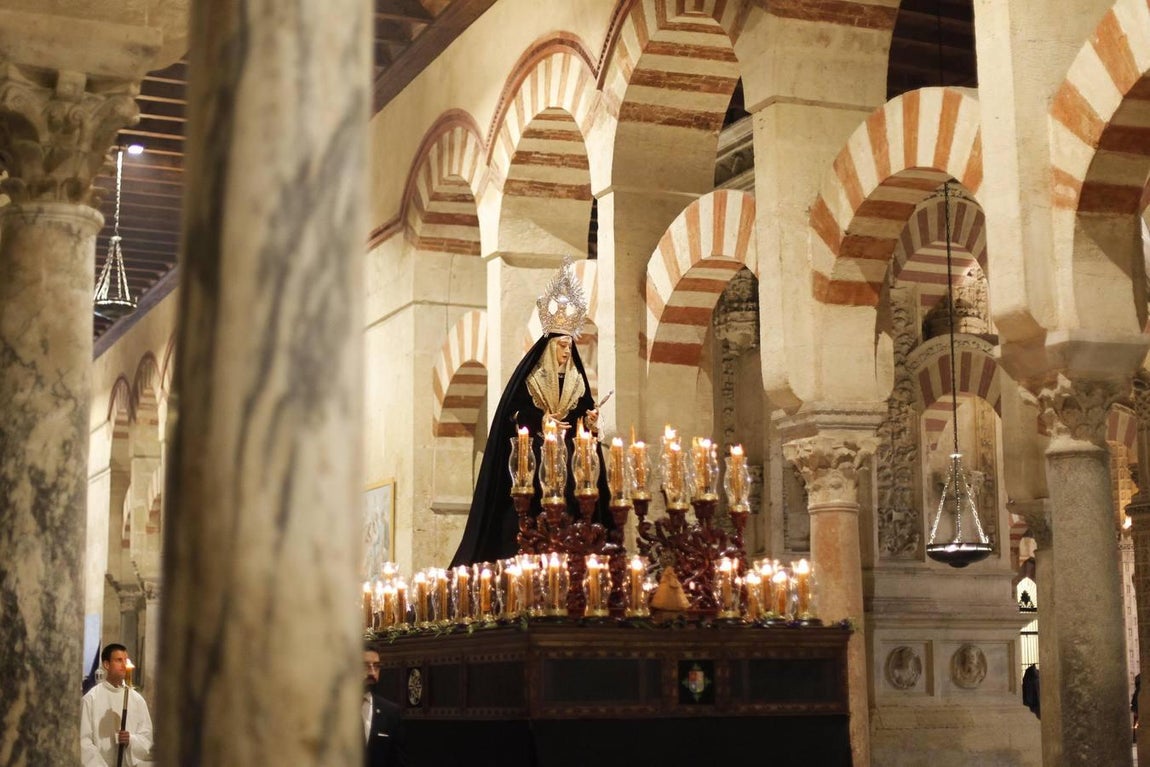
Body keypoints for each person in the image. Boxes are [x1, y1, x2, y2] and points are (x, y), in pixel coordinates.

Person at [451, 259, 611, 567]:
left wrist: (588, 423)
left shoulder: (577, 381)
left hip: (570, 465)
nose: (567, 352)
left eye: (569, 346)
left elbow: (582, 416)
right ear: (550, 347)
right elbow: (514, 415)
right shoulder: (530, 379)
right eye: (562, 346)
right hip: (533, 464)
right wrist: (541, 421)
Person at [81, 643, 153, 767]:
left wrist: (130, 739)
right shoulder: (91, 699)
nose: (124, 665)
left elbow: (146, 736)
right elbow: (84, 740)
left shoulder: (137, 700)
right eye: (119, 660)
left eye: (126, 660)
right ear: (106, 664)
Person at [363, 647, 406, 767]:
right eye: (365, 666)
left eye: (376, 666)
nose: (372, 672)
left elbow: (397, 761)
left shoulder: (390, 712)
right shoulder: (335, 709)